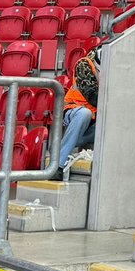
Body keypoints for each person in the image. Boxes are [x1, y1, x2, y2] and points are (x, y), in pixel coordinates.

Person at [51, 52, 99, 181]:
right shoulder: (85, 64)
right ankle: (58, 165)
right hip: (74, 110)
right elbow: (92, 95)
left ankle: (72, 140)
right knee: (85, 114)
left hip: (95, 119)